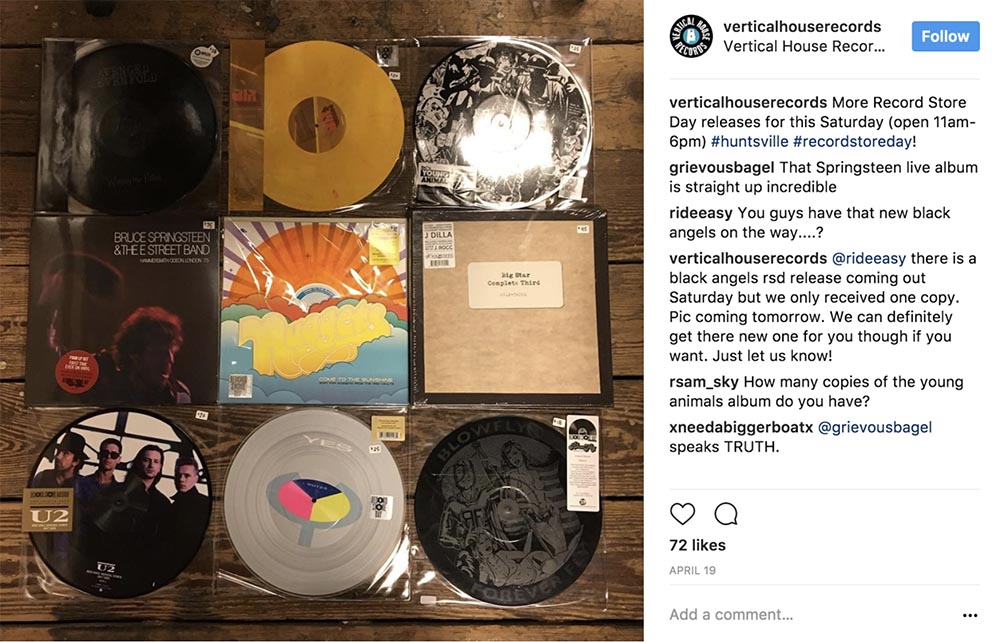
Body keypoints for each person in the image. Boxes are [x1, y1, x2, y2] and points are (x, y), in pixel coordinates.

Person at [105, 307, 191, 404]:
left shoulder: (180, 395)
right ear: (134, 354)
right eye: (159, 352)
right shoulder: (109, 392)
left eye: (171, 351)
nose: (170, 360)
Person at [158, 457, 210, 583]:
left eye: (187, 476)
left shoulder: (204, 504)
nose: (181, 479)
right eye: (178, 475)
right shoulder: (171, 506)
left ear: (196, 478)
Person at [75, 437, 122, 506]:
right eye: (105, 453)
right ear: (99, 455)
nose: (108, 457)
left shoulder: (120, 491)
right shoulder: (80, 483)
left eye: (114, 455)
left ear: (119, 459)